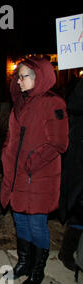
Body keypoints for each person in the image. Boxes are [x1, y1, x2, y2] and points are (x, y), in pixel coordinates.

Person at [0, 57, 69, 284]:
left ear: (38, 77)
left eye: (24, 76)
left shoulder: (53, 103)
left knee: (37, 225)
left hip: (37, 176)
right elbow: (12, 137)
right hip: (17, 176)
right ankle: (23, 263)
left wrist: (32, 162)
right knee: (20, 221)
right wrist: (6, 155)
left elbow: (59, 143)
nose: (18, 81)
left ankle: (37, 270)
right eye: (17, 77)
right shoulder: (20, 103)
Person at [58, 78, 83, 272]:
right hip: (78, 157)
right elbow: (73, 106)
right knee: (79, 206)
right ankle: (68, 251)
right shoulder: (79, 91)